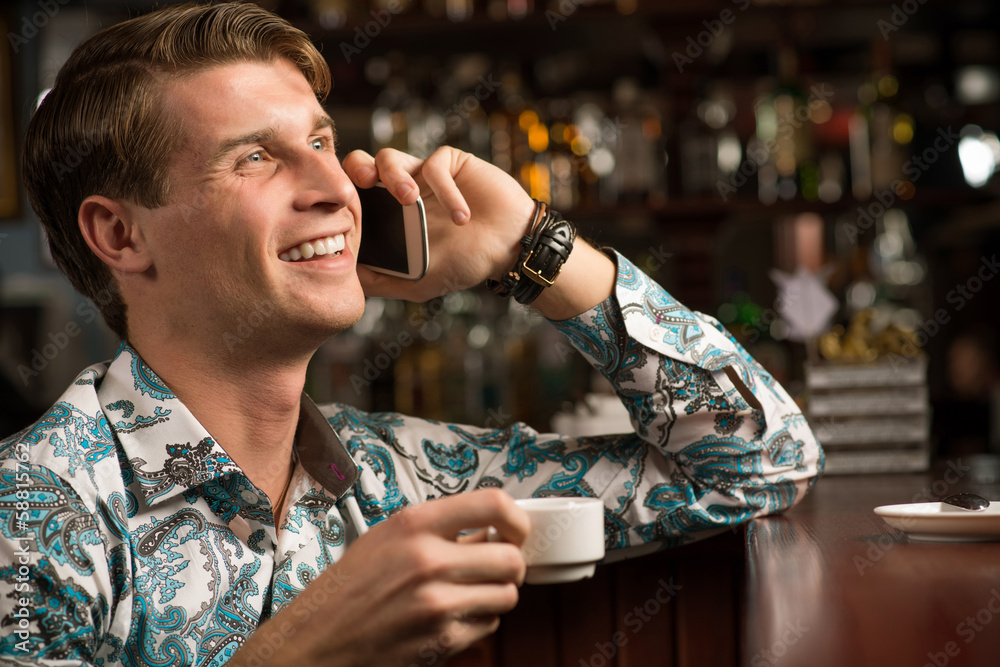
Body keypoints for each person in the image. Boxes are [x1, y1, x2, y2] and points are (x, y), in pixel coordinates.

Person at [0, 3, 823, 666]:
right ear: (119, 235)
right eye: (254, 158)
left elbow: (757, 463)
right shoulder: (31, 512)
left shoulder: (406, 477)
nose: (334, 185)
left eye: (321, 141)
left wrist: (535, 248)